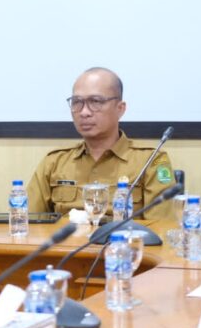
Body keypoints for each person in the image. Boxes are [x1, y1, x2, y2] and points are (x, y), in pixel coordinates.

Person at [27, 67, 176, 219]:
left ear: (120, 109)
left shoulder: (151, 161)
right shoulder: (55, 162)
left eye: (95, 101)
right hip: (66, 234)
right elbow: (27, 220)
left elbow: (160, 226)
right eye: (77, 102)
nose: (84, 112)